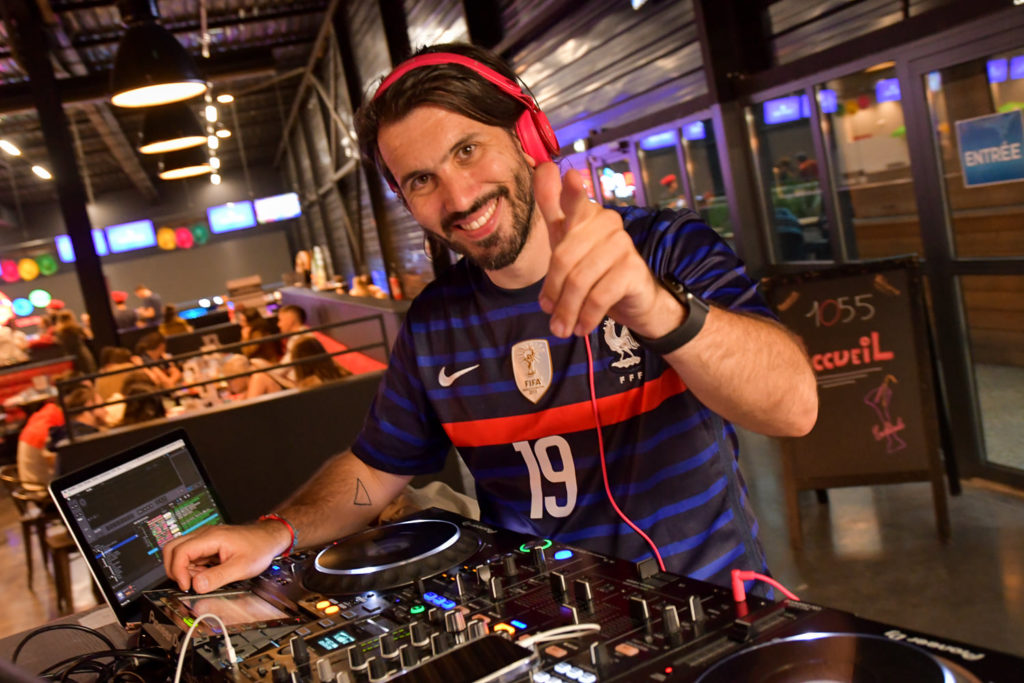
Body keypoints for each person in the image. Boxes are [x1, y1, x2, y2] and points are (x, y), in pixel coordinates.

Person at [164, 44, 817, 597]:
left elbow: (792, 407)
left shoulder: (666, 248)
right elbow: (372, 471)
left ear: (529, 137)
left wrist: (655, 306)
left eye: (468, 149)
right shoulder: (434, 325)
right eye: (421, 180)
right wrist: (273, 532)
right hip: (548, 627)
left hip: (712, 611)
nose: (458, 196)